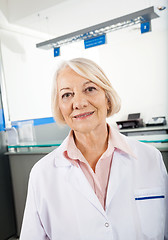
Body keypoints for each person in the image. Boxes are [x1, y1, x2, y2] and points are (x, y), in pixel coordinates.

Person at [20, 58, 168, 240]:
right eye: (67, 94)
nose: (79, 103)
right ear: (59, 106)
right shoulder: (42, 174)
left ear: (107, 98)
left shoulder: (150, 158)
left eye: (89, 89)